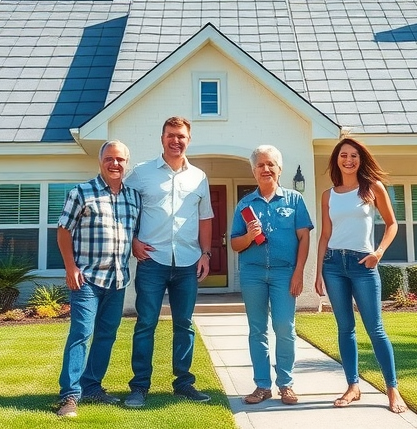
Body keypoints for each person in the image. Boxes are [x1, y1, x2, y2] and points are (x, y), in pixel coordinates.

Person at [125, 116, 214, 408]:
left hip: (188, 262)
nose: (176, 141)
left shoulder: (199, 177)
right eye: (170, 135)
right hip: (152, 261)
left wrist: (206, 253)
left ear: (189, 139)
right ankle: (139, 387)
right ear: (161, 138)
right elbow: (122, 208)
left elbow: (205, 218)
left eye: (181, 136)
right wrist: (133, 241)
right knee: (146, 323)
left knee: (185, 325)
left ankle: (183, 383)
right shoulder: (141, 173)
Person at [313, 137, 408, 413]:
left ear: (360, 159)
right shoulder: (328, 195)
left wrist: (378, 253)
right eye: (344, 155)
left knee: (376, 329)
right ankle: (353, 386)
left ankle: (392, 389)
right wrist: (318, 271)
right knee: (345, 329)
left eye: (354, 155)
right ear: (337, 160)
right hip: (333, 265)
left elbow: (392, 224)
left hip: (363, 264)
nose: (349, 160)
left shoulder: (372, 188)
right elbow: (325, 235)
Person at [54, 140, 142, 418]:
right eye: (110, 159)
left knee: (106, 335)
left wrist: (137, 244)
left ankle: (92, 386)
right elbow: (63, 231)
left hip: (118, 280)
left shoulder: (134, 197)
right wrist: (70, 267)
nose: (115, 164)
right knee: (81, 334)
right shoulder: (81, 193)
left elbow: (133, 232)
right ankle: (69, 396)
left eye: (120, 160)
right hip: (87, 279)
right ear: (100, 160)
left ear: (126, 163)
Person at [230, 145, 313, 406]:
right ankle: (262, 386)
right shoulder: (245, 204)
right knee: (257, 330)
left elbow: (304, 237)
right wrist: (249, 236)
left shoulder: (294, 200)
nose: (266, 169)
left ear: (279, 169)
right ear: (253, 171)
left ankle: (286, 384)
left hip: (284, 273)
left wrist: (299, 272)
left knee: (284, 327)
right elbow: (234, 244)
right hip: (253, 273)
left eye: (271, 164)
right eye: (260, 165)